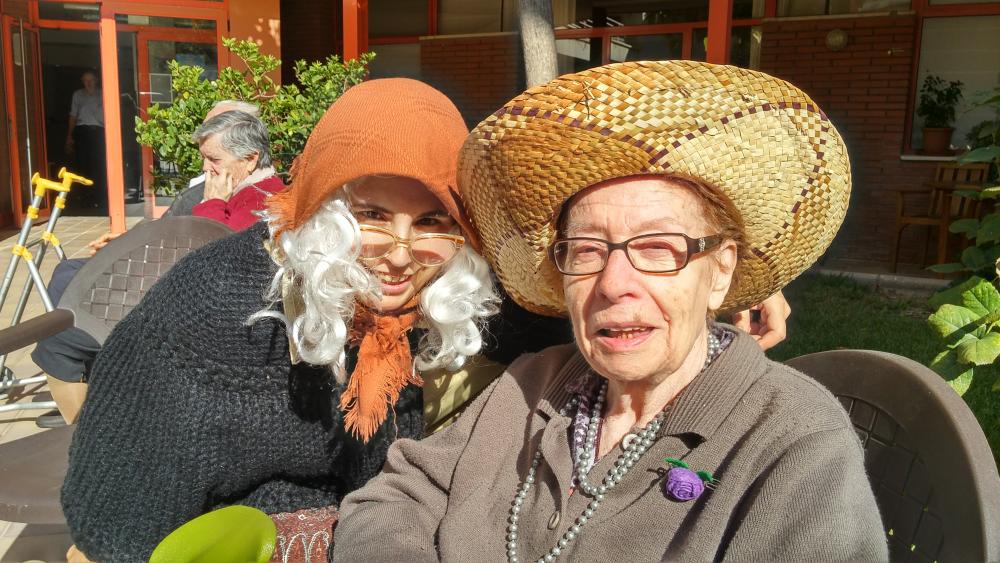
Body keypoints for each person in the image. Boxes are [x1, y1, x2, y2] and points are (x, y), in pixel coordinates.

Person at [332, 61, 887, 561]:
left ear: (721, 270)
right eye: (587, 250)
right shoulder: (534, 383)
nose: (614, 283)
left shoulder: (791, 441)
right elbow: (397, 497)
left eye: (658, 247)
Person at [61, 78, 498, 563]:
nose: (400, 256)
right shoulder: (213, 305)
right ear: (324, 209)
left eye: (431, 221)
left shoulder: (432, 303)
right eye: (372, 215)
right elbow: (118, 523)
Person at [32, 103, 283, 426]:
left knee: (60, 337)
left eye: (214, 160)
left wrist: (212, 203)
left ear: (250, 159)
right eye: (204, 158)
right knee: (68, 283)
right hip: (180, 297)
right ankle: (98, 408)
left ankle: (87, 431)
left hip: (192, 319)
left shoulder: (260, 200)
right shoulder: (246, 189)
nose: (206, 168)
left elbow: (215, 260)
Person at [65, 70, 107, 210]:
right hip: (82, 132)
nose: (88, 83)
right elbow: (73, 115)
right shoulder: (78, 95)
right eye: (85, 80)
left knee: (98, 165)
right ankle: (84, 198)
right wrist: (69, 136)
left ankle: (99, 197)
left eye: (91, 80)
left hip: (99, 132)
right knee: (82, 165)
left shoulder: (103, 93)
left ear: (96, 81)